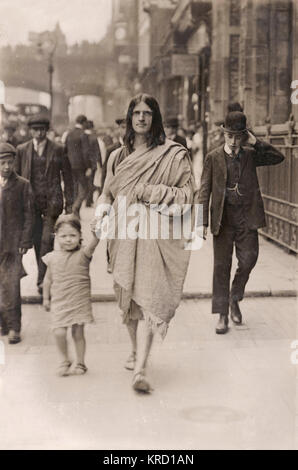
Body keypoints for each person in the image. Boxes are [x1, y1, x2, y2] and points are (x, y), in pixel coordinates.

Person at [93, 93, 194, 392]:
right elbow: (106, 193)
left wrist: (149, 191)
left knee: (150, 296)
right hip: (123, 235)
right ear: (129, 117)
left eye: (147, 113)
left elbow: (188, 195)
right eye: (136, 112)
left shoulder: (172, 154)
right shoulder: (117, 156)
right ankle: (135, 350)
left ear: (155, 118)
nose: (141, 118)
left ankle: (141, 368)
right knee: (127, 300)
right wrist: (101, 211)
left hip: (155, 235)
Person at [198, 111, 285, 334]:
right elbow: (204, 191)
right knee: (221, 266)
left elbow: (278, 157)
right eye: (230, 136)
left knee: (249, 260)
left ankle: (234, 297)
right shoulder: (213, 157)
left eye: (239, 137)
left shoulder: (250, 154)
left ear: (244, 137)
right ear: (223, 134)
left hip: (247, 218)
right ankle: (222, 315)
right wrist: (202, 223)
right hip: (223, 220)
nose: (234, 142)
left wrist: (254, 141)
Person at [15, 114, 73, 294]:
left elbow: (68, 176)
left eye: (42, 130)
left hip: (51, 202)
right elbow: (16, 177)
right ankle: (45, 277)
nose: (39, 133)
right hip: (30, 203)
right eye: (35, 130)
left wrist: (70, 203)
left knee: (47, 240)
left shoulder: (58, 149)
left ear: (46, 131)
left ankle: (42, 282)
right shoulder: (22, 150)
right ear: (30, 131)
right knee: (37, 241)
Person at [42, 214, 100, 376]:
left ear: (80, 236)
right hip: (60, 301)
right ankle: (64, 360)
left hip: (78, 300)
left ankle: (81, 363)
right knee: (58, 332)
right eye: (64, 236)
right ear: (56, 237)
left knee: (77, 332)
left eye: (73, 235)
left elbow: (94, 244)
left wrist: (97, 235)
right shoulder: (52, 257)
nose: (68, 239)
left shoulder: (83, 254)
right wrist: (46, 298)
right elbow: (47, 280)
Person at [0, 143, 34, 344]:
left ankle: (14, 327)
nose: (6, 166)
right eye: (2, 162)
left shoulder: (23, 185)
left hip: (13, 245)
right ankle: (3, 324)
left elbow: (29, 215)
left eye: (9, 162)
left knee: (11, 286)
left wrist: (25, 240)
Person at [65, 115, 94, 218]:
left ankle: (75, 212)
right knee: (84, 189)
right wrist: (89, 166)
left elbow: (65, 150)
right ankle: (75, 208)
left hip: (69, 165)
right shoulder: (83, 135)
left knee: (74, 188)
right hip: (81, 166)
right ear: (84, 122)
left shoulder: (69, 134)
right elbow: (86, 152)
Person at [100, 117, 126, 189]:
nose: (126, 131)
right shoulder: (111, 149)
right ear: (118, 130)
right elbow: (105, 173)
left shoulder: (137, 148)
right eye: (123, 127)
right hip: (117, 191)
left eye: (129, 127)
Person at [84, 120, 102, 207]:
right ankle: (89, 200)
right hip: (92, 164)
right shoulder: (94, 138)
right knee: (91, 182)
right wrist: (100, 164)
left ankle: (85, 199)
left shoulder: (82, 136)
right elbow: (98, 152)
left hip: (83, 164)